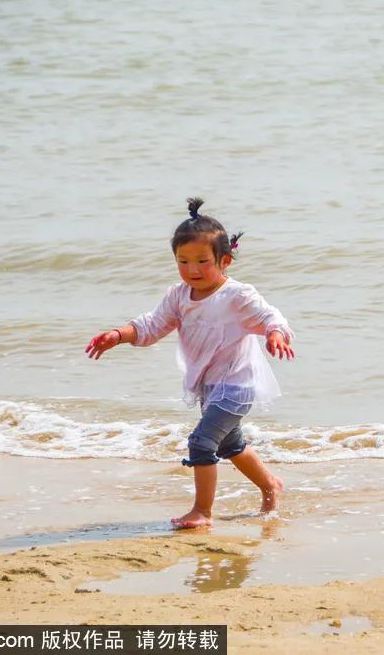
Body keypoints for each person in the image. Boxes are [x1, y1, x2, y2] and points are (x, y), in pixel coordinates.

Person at [86, 198, 295, 527]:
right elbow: (150, 325)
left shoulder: (237, 296)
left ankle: (202, 512)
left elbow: (270, 316)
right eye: (183, 261)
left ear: (224, 261)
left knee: (201, 442)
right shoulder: (178, 296)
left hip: (238, 385)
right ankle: (270, 485)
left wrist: (275, 334)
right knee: (231, 445)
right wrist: (118, 334)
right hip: (209, 386)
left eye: (202, 261)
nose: (192, 270)